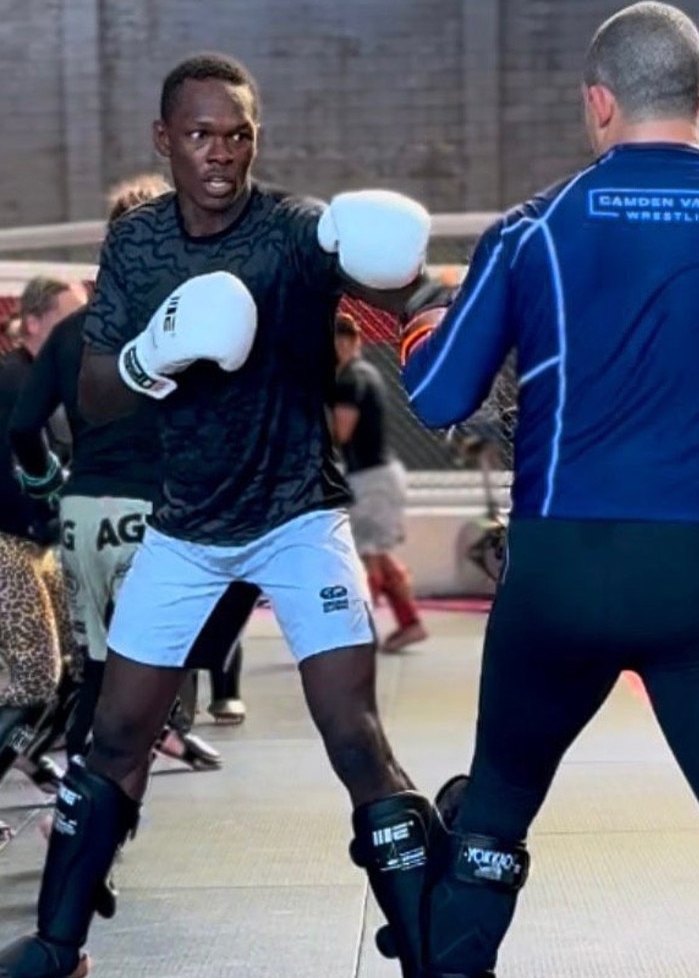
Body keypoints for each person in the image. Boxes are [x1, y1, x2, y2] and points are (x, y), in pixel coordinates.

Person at [0, 51, 432, 978]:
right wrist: (157, 354)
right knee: (116, 734)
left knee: (353, 733)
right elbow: (93, 393)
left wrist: (424, 298)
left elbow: (400, 290)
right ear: (165, 140)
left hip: (296, 515)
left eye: (238, 135)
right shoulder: (138, 243)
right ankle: (60, 942)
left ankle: (435, 948)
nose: (221, 155)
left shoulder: (298, 232)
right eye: (200, 135)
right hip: (185, 525)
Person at [396, 0, 699, 978]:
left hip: (560, 573)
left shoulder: (534, 229)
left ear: (597, 101)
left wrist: (424, 315)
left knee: (495, 819)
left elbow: (436, 397)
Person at [8, 174, 227, 774]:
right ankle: (97, 831)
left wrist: (49, 484)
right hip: (149, 516)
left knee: (100, 676)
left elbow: (24, 428)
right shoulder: (184, 328)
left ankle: (78, 818)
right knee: (143, 689)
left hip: (81, 515)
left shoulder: (72, 332)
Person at [0, 277, 87, 804]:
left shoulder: (39, 379)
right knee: (36, 679)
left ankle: (28, 755)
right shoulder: (15, 382)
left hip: (38, 543)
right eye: (68, 317)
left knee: (76, 672)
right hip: (9, 542)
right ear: (33, 321)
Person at [332, 311, 427, 652]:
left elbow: (341, 431)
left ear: (352, 342)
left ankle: (357, 636)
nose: (336, 347)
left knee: (367, 557)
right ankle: (409, 623)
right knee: (378, 556)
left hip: (372, 480)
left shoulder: (351, 379)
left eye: (341, 340)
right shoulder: (360, 375)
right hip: (375, 478)